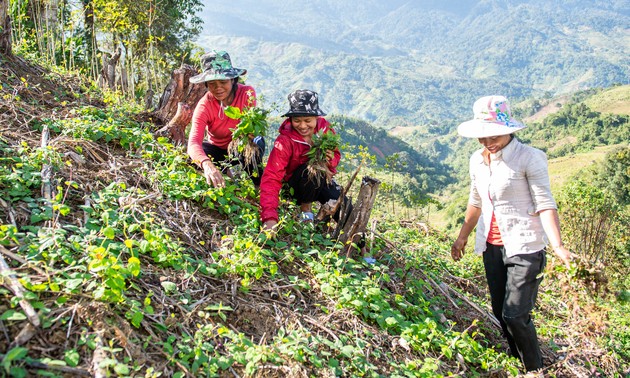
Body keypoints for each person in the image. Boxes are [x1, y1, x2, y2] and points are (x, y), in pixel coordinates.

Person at [450, 95, 572, 372]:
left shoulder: (529, 158)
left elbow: (545, 203)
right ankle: (518, 360)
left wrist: (558, 246)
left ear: (509, 129)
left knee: (516, 314)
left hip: (525, 246)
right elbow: (476, 200)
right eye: (482, 137)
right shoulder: (477, 161)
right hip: (492, 245)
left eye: (493, 135)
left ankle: (534, 369)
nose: (487, 142)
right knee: (499, 311)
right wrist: (462, 236)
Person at [259, 89, 342, 230]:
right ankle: (306, 211)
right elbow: (272, 177)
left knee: (343, 206)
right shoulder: (284, 141)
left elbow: (336, 155)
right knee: (312, 170)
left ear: (316, 118)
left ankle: (361, 246)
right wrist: (270, 217)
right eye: (297, 120)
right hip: (294, 187)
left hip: (319, 181)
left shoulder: (325, 129)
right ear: (291, 120)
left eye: (308, 120)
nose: (303, 126)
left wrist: (330, 159)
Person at [187, 50, 265, 188]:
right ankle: (226, 178)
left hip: (240, 145)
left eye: (223, 82)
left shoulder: (247, 93)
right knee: (194, 157)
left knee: (249, 147)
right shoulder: (205, 106)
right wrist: (207, 164)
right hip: (218, 150)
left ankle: (261, 187)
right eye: (212, 83)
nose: (218, 88)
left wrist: (250, 135)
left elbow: (249, 128)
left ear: (233, 80)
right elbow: (193, 143)